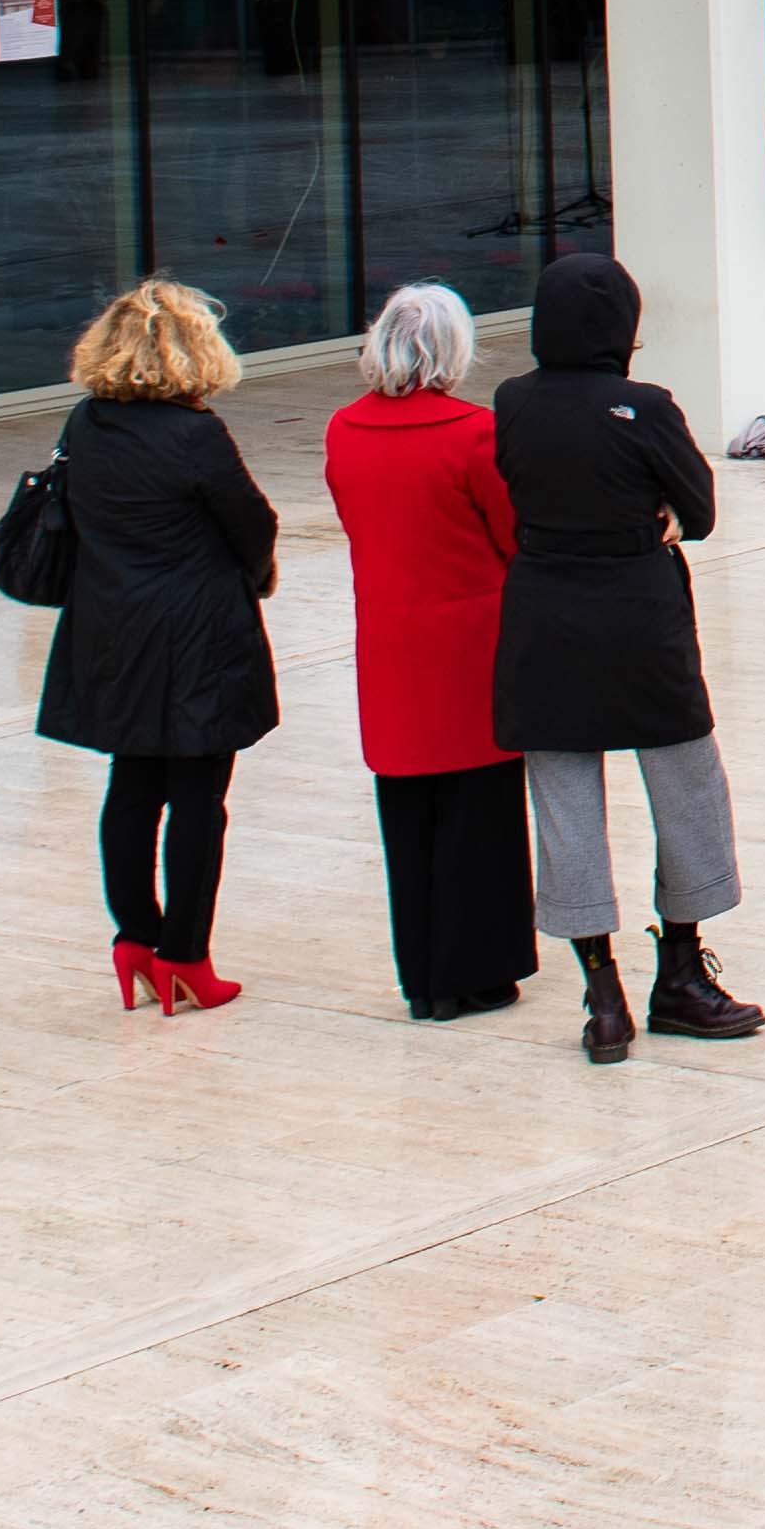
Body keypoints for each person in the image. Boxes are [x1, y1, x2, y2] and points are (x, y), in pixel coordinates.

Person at [491, 251, 764, 1062]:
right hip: (640, 622)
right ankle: (680, 971)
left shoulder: (511, 401)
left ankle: (603, 997)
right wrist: (661, 515)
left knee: (566, 803)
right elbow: (701, 511)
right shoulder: (645, 407)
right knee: (688, 789)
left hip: (543, 619)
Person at [23, 281, 278, 1014]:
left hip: (111, 629)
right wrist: (258, 575)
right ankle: (187, 954)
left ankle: (136, 935)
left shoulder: (86, 421)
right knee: (199, 798)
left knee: (132, 787)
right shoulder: (196, 434)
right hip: (197, 634)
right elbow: (252, 524)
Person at [323, 284, 535, 1020]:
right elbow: (514, 537)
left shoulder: (343, 429)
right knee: (479, 814)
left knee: (408, 814)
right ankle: (477, 968)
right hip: (471, 644)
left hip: (389, 638)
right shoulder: (475, 433)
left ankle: (423, 974)